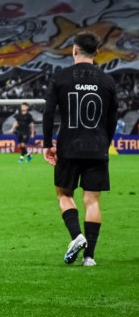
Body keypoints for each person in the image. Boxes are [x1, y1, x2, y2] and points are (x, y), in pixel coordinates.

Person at [43, 31, 118, 267]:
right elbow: (112, 120)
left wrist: (47, 144)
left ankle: (77, 236)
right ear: (97, 52)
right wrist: (104, 145)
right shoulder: (108, 81)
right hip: (97, 147)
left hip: (69, 146)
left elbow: (48, 113)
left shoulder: (61, 78)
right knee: (92, 201)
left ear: (74, 50)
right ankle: (89, 257)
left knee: (64, 195)